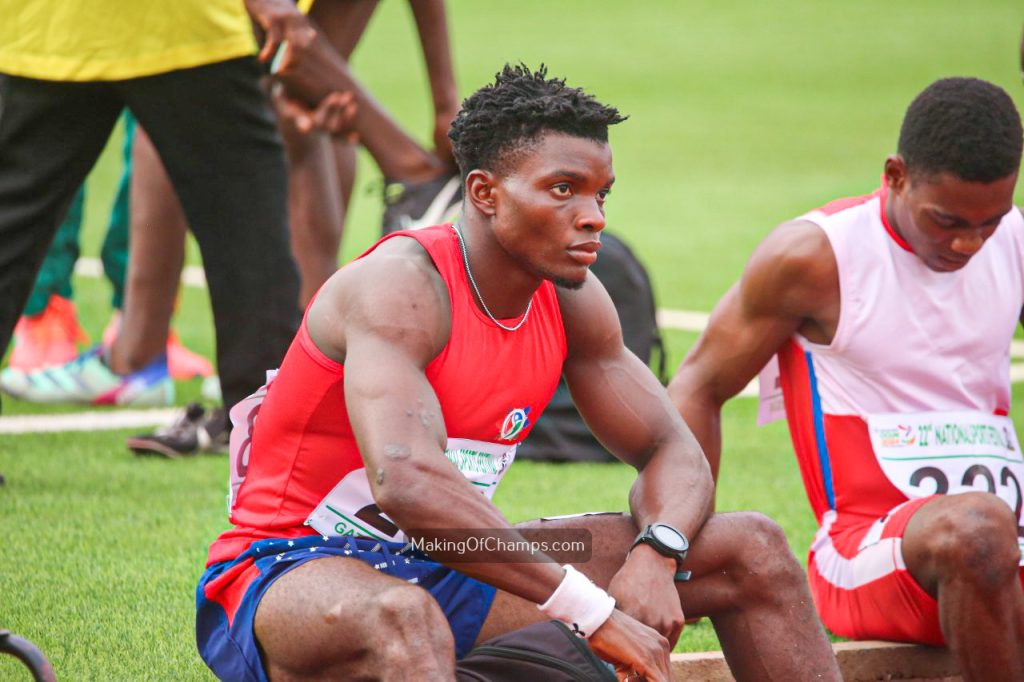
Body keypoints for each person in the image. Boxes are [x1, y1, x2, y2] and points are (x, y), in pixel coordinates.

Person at [195, 65, 841, 682]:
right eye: (564, 189)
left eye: (601, 193)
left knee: (750, 547)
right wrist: (592, 611)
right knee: (404, 618)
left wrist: (659, 550)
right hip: (289, 572)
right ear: (484, 192)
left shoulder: (573, 298)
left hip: (453, 564)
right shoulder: (401, 287)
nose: (594, 217)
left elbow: (672, 447)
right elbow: (408, 483)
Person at [668, 77, 1024, 681]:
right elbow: (697, 387)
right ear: (895, 175)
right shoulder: (815, 258)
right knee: (977, 528)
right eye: (946, 221)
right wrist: (682, 554)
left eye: (988, 222)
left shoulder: (1014, 240)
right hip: (864, 551)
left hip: (1001, 539)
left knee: (987, 529)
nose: (968, 242)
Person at [0, 0, 331, 420]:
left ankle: (264, 431)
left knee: (10, 226)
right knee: (248, 235)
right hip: (178, 27)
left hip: (52, 27)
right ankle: (267, 442)